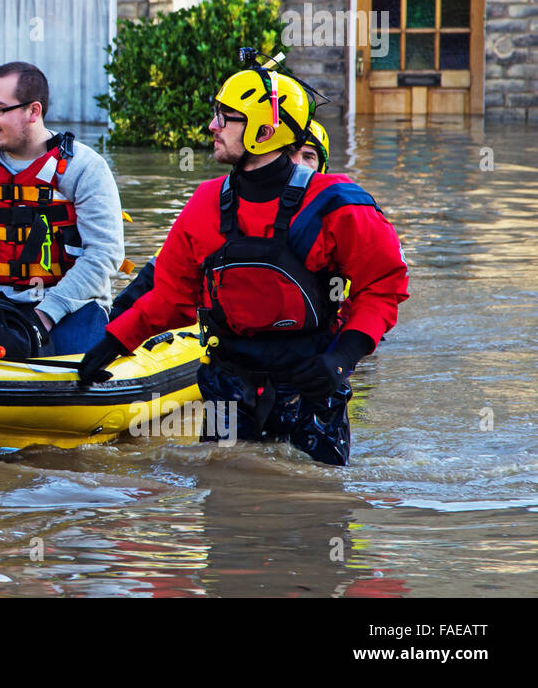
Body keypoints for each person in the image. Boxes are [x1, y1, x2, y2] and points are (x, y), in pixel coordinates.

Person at [79, 67, 407, 465]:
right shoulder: (205, 202)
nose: (212, 126)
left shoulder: (337, 204)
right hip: (227, 388)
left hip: (312, 386)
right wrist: (111, 344)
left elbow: (383, 285)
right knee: (226, 508)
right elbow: (170, 297)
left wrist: (342, 359)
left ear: (264, 132)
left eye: (225, 116)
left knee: (318, 511)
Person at [0, 61, 125, 355]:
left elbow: (104, 255)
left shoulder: (85, 168)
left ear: (33, 111)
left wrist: (44, 315)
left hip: (71, 307)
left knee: (73, 366)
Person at [108, 118, 332, 322]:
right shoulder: (216, 208)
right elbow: (159, 278)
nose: (297, 164)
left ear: (322, 167)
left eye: (308, 156)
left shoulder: (335, 223)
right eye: (289, 154)